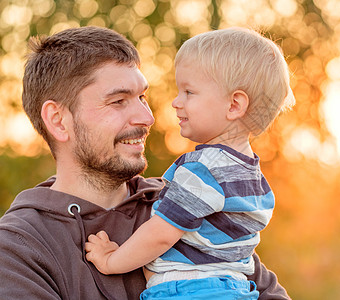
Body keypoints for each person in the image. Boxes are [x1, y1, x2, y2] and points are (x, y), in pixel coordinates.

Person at [0, 26, 290, 299]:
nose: (147, 118)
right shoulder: (19, 247)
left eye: (142, 97)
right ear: (58, 120)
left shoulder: (188, 202)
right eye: (118, 101)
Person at [85, 27, 295, 299]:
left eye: (189, 92)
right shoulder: (253, 178)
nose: (176, 102)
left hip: (190, 290)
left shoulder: (204, 169)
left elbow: (161, 234)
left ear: (234, 105)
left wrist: (111, 260)